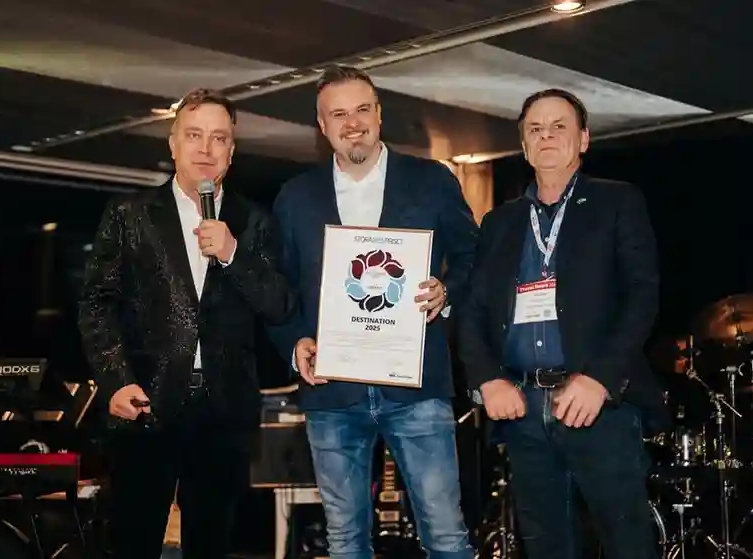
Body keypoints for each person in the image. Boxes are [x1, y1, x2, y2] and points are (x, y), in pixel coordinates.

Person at [268, 65, 478, 559]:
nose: (353, 123)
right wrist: (295, 342)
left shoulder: (431, 180)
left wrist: (447, 290)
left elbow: (474, 256)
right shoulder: (295, 197)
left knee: (446, 535)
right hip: (332, 391)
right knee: (345, 540)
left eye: (362, 109)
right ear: (322, 126)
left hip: (417, 386)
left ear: (379, 114)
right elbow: (278, 288)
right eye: (338, 114)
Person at [78, 88, 294, 559]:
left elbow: (279, 306)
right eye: (194, 135)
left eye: (219, 138)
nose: (206, 149)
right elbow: (96, 304)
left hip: (224, 411)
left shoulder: (255, 221)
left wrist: (233, 254)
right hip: (145, 402)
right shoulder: (129, 215)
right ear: (173, 144)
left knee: (212, 544)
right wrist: (115, 380)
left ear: (231, 152)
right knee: (132, 542)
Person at [458, 88, 666, 559]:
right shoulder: (499, 222)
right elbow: (471, 311)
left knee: (627, 544)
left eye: (559, 127)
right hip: (522, 409)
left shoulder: (617, 201)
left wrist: (600, 379)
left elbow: (642, 296)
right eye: (535, 129)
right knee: (546, 547)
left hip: (598, 405)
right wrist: (487, 379)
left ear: (584, 139)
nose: (546, 136)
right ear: (524, 145)